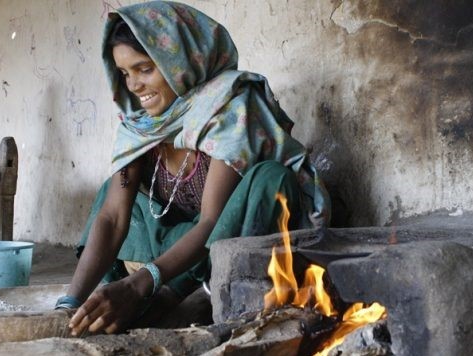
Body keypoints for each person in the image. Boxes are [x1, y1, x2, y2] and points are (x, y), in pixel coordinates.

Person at [57, 1, 330, 336]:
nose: (134, 86)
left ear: (179, 60)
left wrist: (145, 284)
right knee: (108, 195)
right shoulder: (140, 125)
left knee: (271, 181)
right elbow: (113, 217)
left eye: (145, 69)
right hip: (180, 243)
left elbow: (213, 222)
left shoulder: (228, 105)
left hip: (227, 239)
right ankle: (106, 306)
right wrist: (69, 304)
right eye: (125, 73)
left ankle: (197, 297)